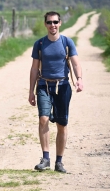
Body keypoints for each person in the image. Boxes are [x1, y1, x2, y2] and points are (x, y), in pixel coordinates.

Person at [28, 11, 83, 173]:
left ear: (60, 23)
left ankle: (59, 161)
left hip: (63, 86)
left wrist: (79, 79)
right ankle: (45, 158)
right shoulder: (39, 44)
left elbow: (75, 63)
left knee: (61, 124)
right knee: (43, 119)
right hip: (44, 85)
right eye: (49, 22)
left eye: (55, 22)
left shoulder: (67, 42)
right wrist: (31, 91)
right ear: (45, 24)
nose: (52, 25)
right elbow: (34, 68)